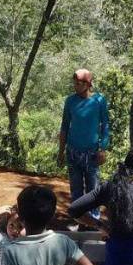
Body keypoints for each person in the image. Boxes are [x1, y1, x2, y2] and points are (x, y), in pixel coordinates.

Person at [58, 69, 110, 215]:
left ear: (88, 84)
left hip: (92, 153)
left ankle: (94, 221)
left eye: (79, 83)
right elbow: (64, 126)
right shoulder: (70, 101)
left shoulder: (99, 100)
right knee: (76, 190)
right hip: (73, 152)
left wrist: (103, 149)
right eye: (74, 83)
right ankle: (79, 219)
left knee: (93, 191)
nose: (75, 86)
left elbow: (105, 125)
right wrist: (61, 152)